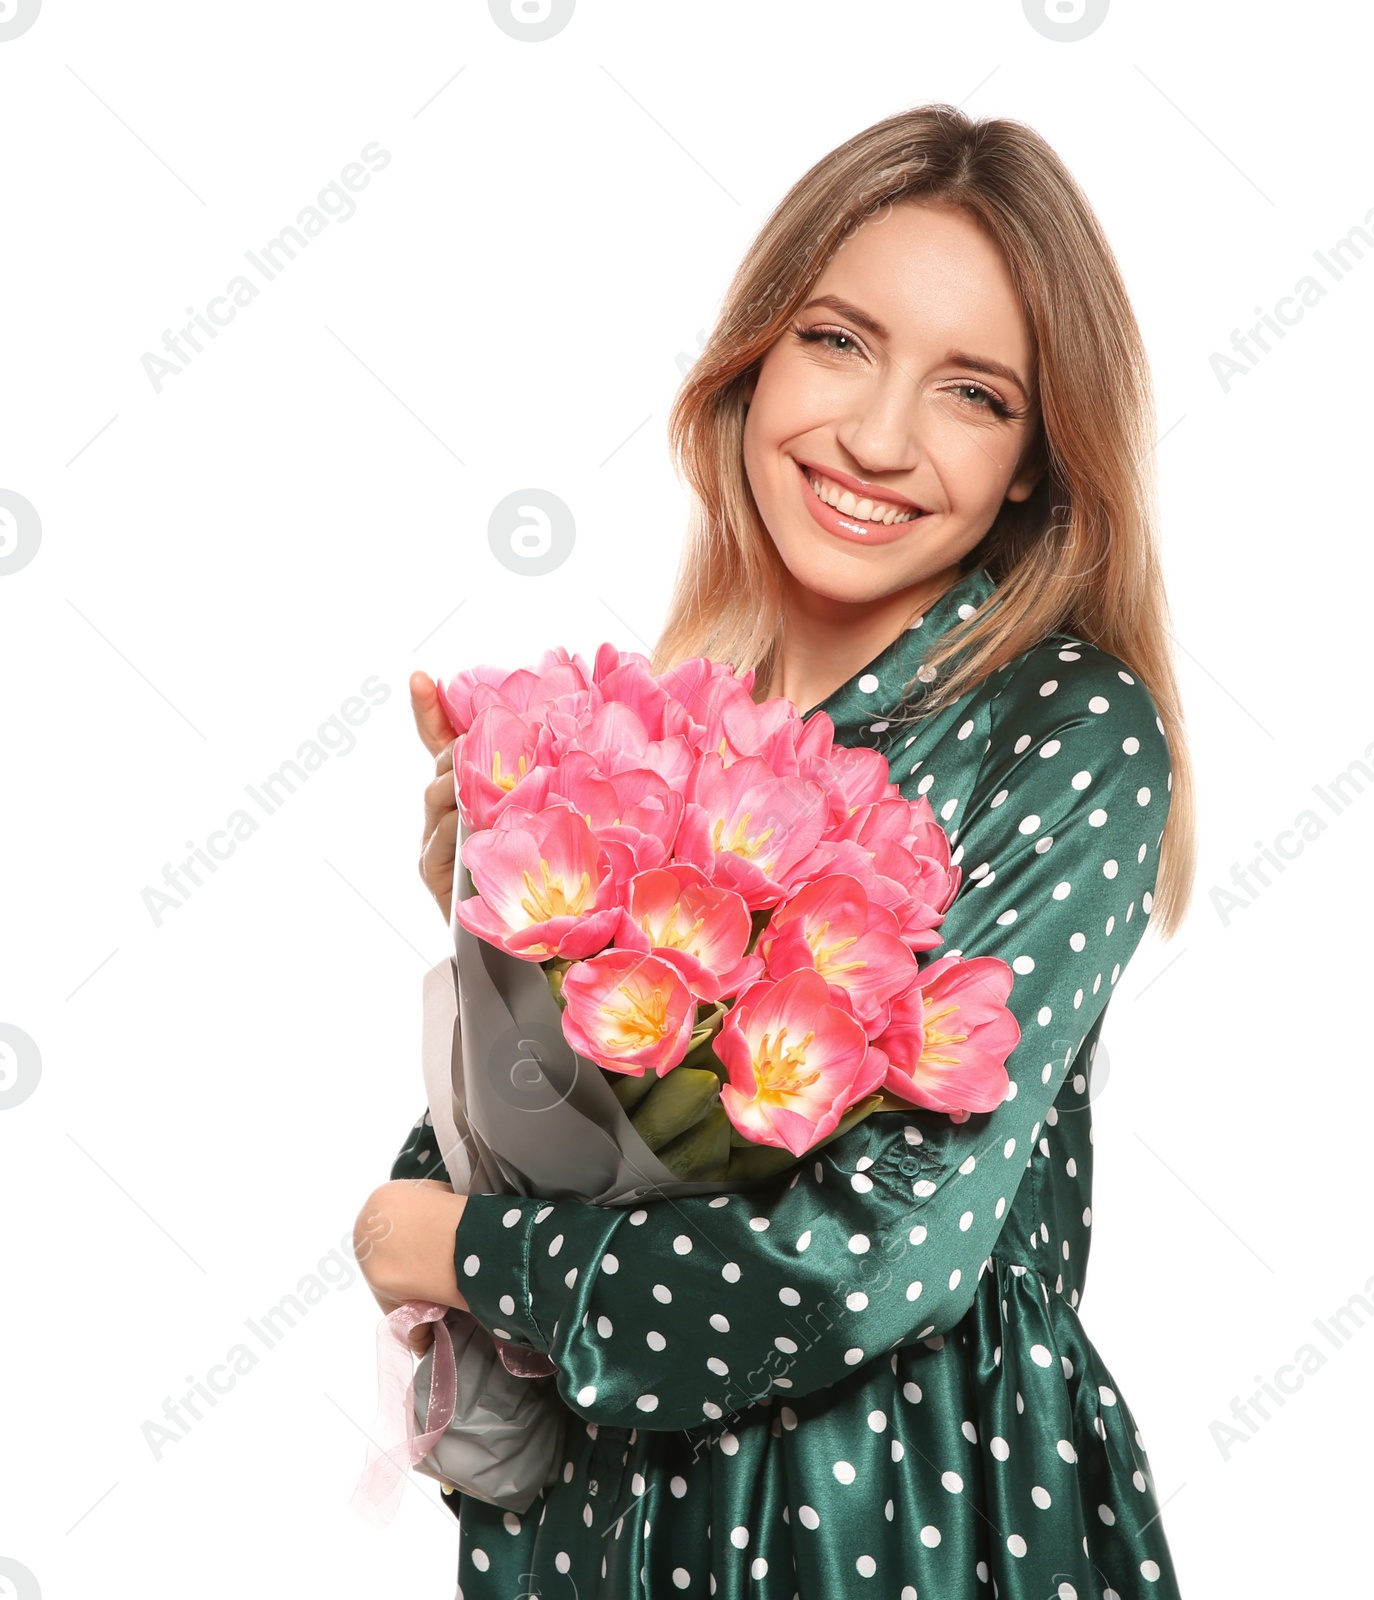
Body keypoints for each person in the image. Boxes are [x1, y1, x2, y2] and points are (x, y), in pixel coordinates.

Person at [355, 102, 1196, 1599]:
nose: (878, 438)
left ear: (1036, 467)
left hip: (898, 1506)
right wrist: (494, 944)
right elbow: (582, 1161)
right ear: (749, 363)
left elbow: (876, 1263)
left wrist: (464, 1254)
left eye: (975, 394)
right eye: (839, 341)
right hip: (616, 1517)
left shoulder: (1066, 730)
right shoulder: (662, 731)